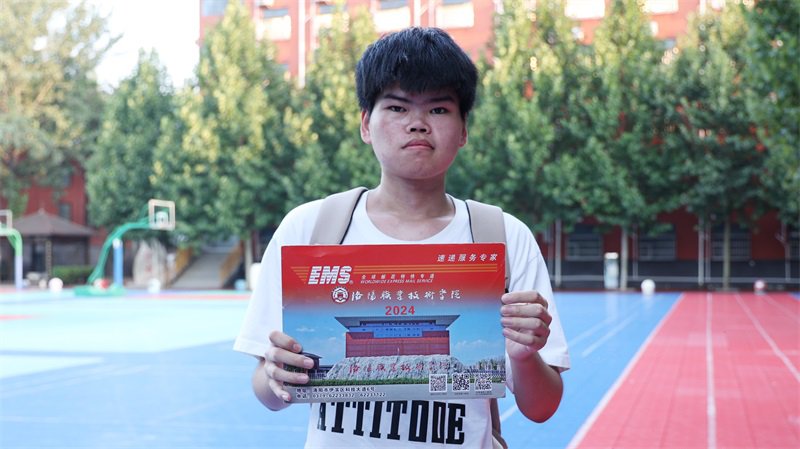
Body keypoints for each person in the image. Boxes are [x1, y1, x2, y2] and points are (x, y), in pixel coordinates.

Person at [234, 27, 570, 448]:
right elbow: (267, 392)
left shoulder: (504, 238)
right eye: (396, 107)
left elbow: (542, 407)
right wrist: (276, 376)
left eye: (439, 109)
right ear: (366, 124)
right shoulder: (308, 229)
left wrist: (524, 356)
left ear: (463, 130)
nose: (417, 124)